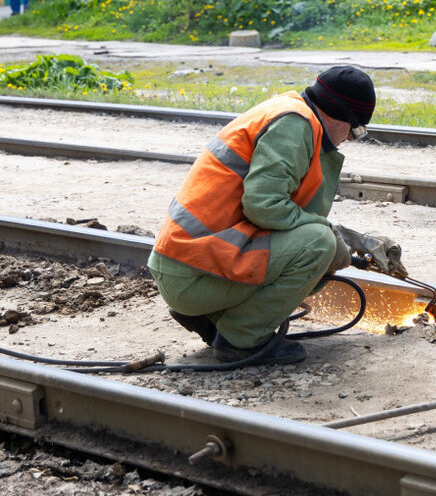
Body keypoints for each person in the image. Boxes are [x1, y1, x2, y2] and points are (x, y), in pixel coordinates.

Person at [149, 66, 405, 366]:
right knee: (321, 245)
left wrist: (353, 240)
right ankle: (240, 338)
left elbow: (280, 214)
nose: (350, 139)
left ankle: (215, 318)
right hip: (193, 277)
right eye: (355, 130)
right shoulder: (295, 125)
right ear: (339, 115)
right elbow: (264, 207)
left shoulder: (288, 111)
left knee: (324, 241)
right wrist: (334, 241)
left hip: (190, 266)